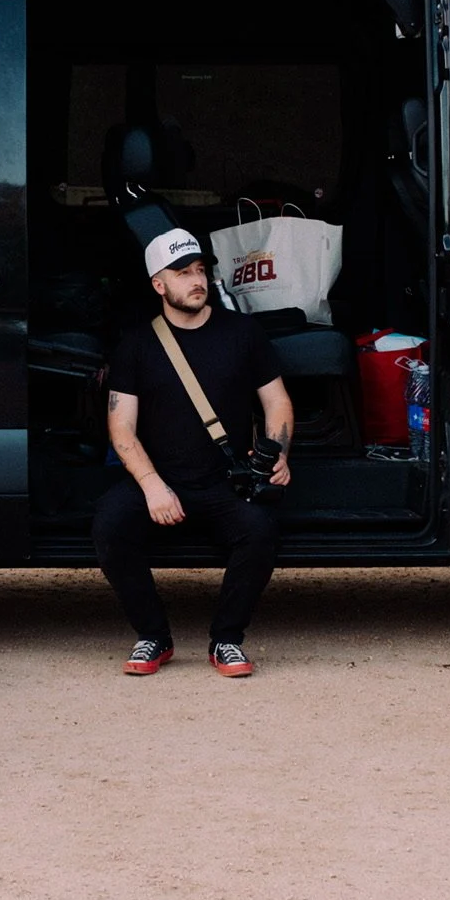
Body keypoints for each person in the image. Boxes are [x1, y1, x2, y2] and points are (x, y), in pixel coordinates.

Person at [95, 227, 294, 678]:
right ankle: (154, 636)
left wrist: (278, 452)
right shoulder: (137, 344)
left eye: (200, 270)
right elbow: (120, 428)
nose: (197, 280)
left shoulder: (243, 333)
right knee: (110, 523)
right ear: (158, 284)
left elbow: (277, 401)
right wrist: (152, 486)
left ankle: (227, 640)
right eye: (182, 273)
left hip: (226, 480)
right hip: (161, 481)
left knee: (260, 531)